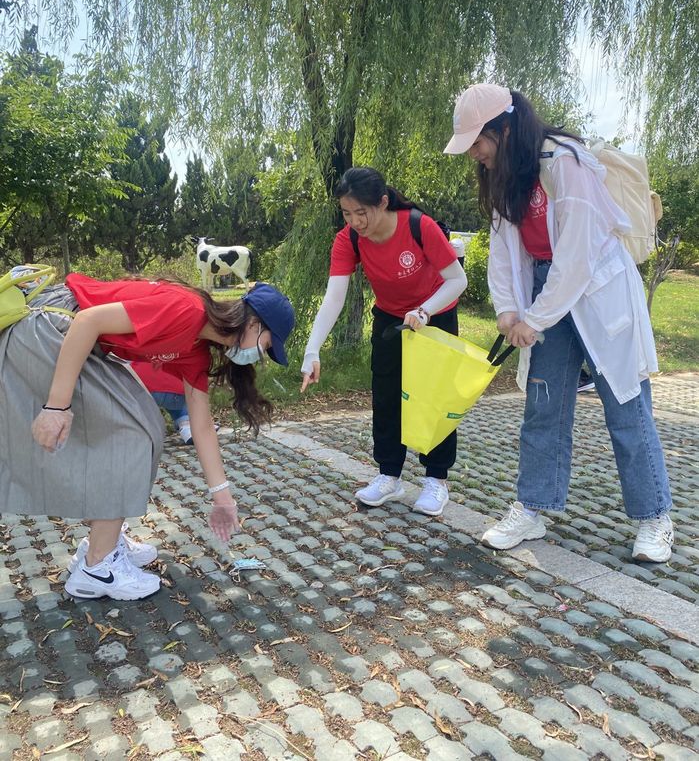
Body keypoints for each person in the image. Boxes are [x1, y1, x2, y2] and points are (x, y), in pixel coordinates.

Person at [444, 83, 673, 561]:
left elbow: (578, 255)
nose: (474, 154)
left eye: (478, 142)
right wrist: (508, 310)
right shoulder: (504, 175)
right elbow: (504, 252)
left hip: (597, 290)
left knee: (626, 405)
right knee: (543, 405)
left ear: (505, 130)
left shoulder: (564, 161)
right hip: (546, 288)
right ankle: (533, 506)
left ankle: (655, 517)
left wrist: (534, 318)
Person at [0, 274, 294, 600]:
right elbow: (88, 320)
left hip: (75, 336)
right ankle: (98, 567)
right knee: (131, 437)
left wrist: (223, 499)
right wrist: (57, 406)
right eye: (267, 345)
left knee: (148, 428)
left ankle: (103, 540)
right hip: (51, 327)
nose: (260, 355)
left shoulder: (196, 349)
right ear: (253, 324)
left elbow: (202, 425)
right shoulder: (188, 310)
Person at [301, 167, 467, 516]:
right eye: (347, 213)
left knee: (433, 399)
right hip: (391, 319)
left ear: (383, 202)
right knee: (386, 396)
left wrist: (424, 310)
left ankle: (436, 479)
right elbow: (334, 298)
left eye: (361, 212)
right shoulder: (349, 239)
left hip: (435, 315)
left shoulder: (419, 226)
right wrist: (312, 349)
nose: (355, 221)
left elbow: (457, 280)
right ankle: (389, 475)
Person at [132, 362, 195, 444]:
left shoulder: (138, 354)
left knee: (142, 410)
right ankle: (187, 428)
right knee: (181, 410)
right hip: (176, 392)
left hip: (146, 389)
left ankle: (145, 433)